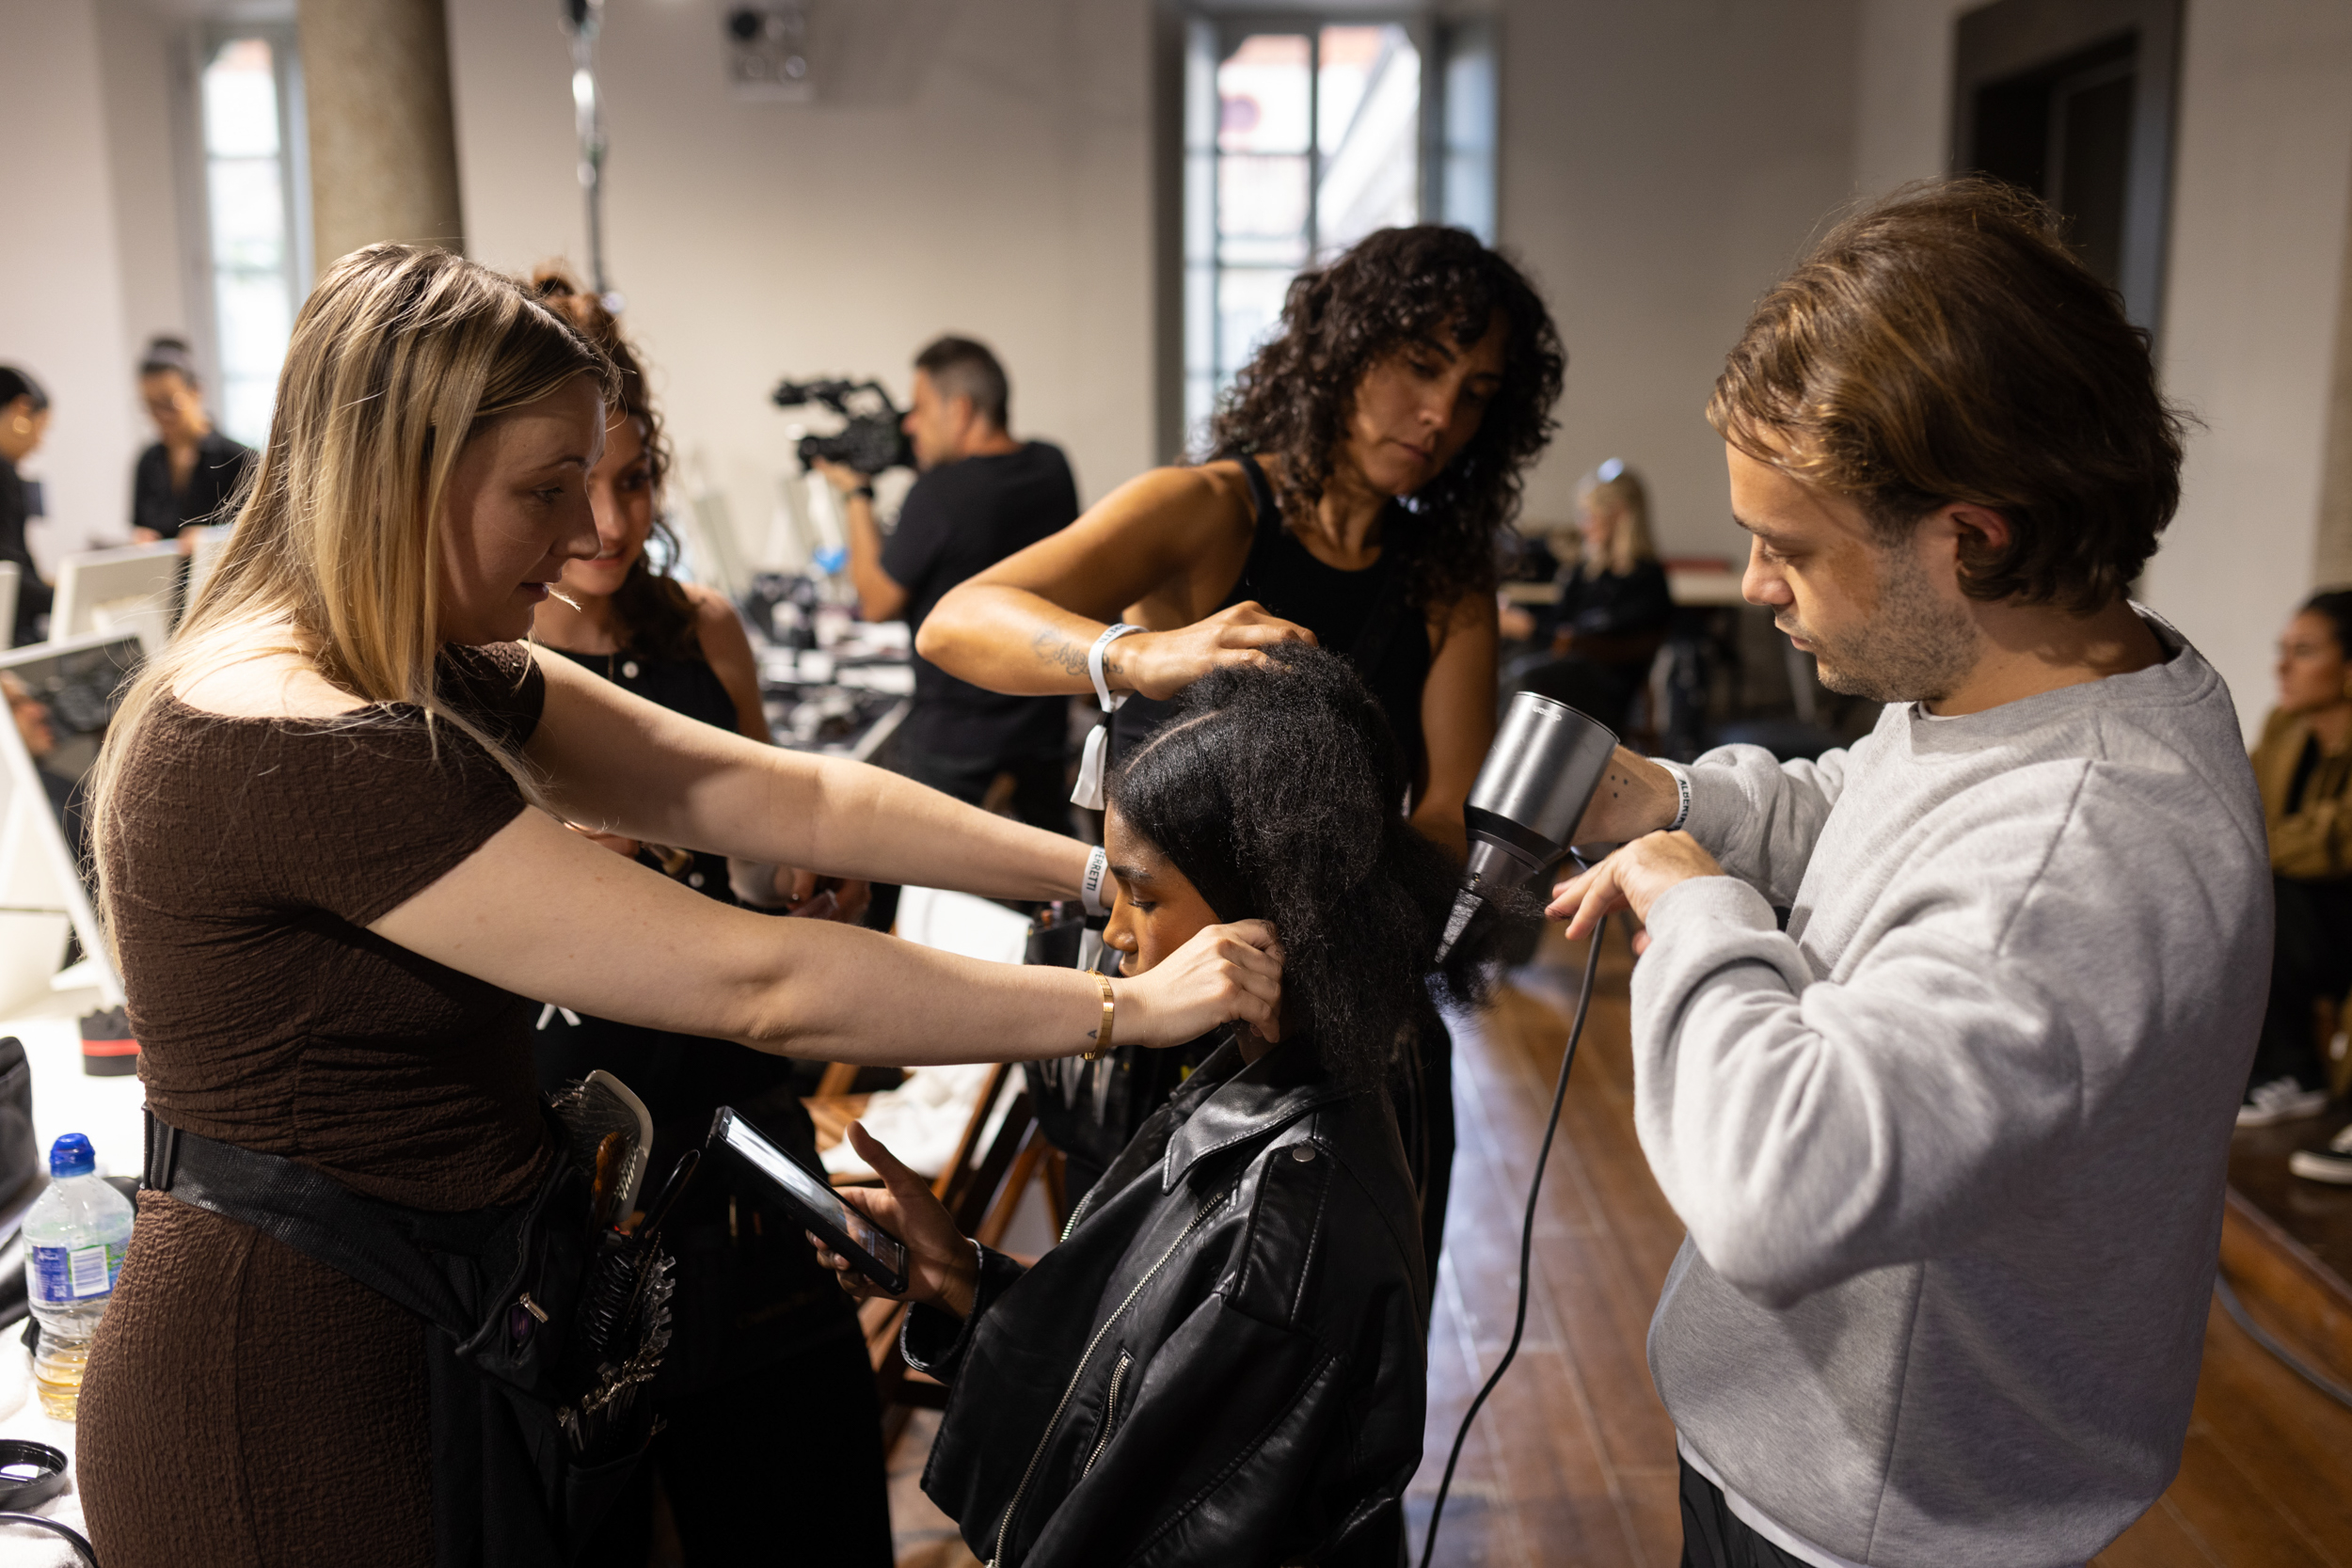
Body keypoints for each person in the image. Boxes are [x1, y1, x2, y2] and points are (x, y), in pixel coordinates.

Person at [74, 244, 1281, 1568]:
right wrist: (1131, 1002)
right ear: (405, 469)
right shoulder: (311, 739)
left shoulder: (425, 667)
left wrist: (1103, 875)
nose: (591, 535)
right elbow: (756, 978)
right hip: (293, 1394)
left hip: (433, 1334)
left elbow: (784, 797)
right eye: (545, 490)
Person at [1548, 180, 2266, 1568]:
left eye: (1793, 548)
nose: (1758, 584)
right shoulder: (2020, 678)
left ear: (1972, 533)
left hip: (1881, 1522)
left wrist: (1694, 895)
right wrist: (1670, 796)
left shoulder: (2093, 845)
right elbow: (1877, 822)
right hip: (1805, 1458)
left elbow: (1774, 1185)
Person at [918, 225, 1565, 1265]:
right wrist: (1141, 653)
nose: (1442, 413)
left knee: (1333, 1334)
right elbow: (959, 620)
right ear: (1343, 351)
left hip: (1334, 1009)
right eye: (1420, 365)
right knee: (1134, 1321)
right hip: (1155, 992)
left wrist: (1340, 949)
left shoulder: (1444, 579)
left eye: (1477, 390)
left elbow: (1447, 810)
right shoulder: (1209, 508)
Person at [813, 645, 1508, 1568]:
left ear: (1269, 907)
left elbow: (1123, 1514)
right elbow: (1133, 1384)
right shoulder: (1261, 1082)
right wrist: (963, 1280)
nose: (1112, 933)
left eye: (1142, 892)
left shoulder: (1283, 1227)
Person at [522, 271, 890, 1563]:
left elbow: (765, 844)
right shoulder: (477, 667)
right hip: (576, 1165)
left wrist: (798, 882)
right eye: (575, 489)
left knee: (810, 1503)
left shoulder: (705, 630)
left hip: (737, 1131)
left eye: (636, 481)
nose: (612, 521)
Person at [819, 335, 1079, 839]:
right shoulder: (1051, 465)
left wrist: (856, 492)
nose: (909, 424)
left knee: (884, 851)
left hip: (959, 747)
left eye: (918, 408)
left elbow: (875, 602)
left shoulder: (938, 495)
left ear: (959, 410)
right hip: (1040, 730)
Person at [1508, 458, 1672, 732]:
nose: (1582, 525)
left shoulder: (1646, 579)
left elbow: (1592, 640)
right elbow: (1561, 620)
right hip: (1570, 672)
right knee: (1505, 661)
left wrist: (1531, 628)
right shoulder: (1586, 572)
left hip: (1604, 693)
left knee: (1526, 678)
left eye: (1589, 514)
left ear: (1618, 514)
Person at [129, 337, 255, 554]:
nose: (159, 416)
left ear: (196, 391)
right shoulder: (147, 461)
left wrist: (213, 537)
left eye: (169, 403)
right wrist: (140, 539)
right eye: (150, 406)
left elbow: (266, 533)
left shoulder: (240, 459)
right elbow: (142, 527)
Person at [0, 365, 53, 646]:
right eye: (41, 428)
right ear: (22, 410)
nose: (38, 444)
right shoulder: (4, 472)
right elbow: (9, 569)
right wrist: (62, 598)